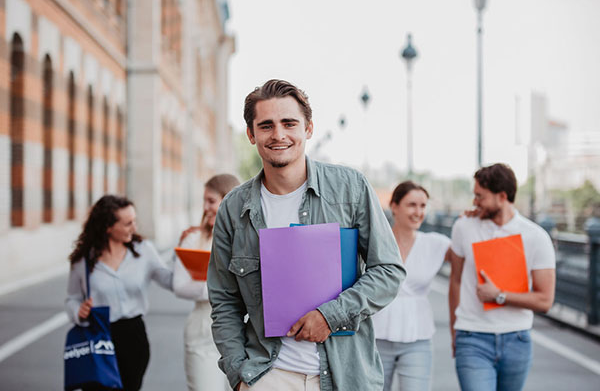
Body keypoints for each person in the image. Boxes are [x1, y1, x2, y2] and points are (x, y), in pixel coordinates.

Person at [207, 79, 405, 391]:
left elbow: (389, 270)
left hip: (345, 377)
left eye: (289, 123)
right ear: (251, 134)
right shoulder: (234, 207)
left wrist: (331, 316)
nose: (279, 135)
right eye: (266, 125)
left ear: (308, 128)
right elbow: (224, 299)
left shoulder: (350, 188)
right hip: (267, 376)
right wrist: (238, 375)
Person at [448, 163, 556, 391]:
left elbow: (545, 300)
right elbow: (455, 281)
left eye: (480, 196)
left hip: (516, 340)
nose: (474, 202)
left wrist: (499, 296)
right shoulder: (463, 227)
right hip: (472, 337)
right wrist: (454, 331)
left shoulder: (536, 237)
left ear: (502, 196)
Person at [65, 195, 173, 391]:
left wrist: (188, 252)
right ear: (108, 227)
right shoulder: (83, 260)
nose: (134, 227)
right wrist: (77, 311)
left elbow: (170, 280)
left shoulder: (143, 251)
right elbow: (72, 298)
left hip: (133, 337)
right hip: (99, 336)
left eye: (134, 221)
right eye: (127, 223)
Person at [373, 181, 451, 391]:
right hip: (376, 337)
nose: (418, 212)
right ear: (394, 206)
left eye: (423, 206)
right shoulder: (374, 240)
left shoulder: (436, 243)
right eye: (411, 205)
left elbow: (471, 253)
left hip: (418, 338)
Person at [173, 174, 240, 391]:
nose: (205, 207)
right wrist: (220, 288)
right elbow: (179, 285)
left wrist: (208, 286)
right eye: (204, 201)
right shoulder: (192, 239)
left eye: (211, 201)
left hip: (243, 332)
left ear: (228, 199)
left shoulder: (248, 237)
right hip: (202, 331)